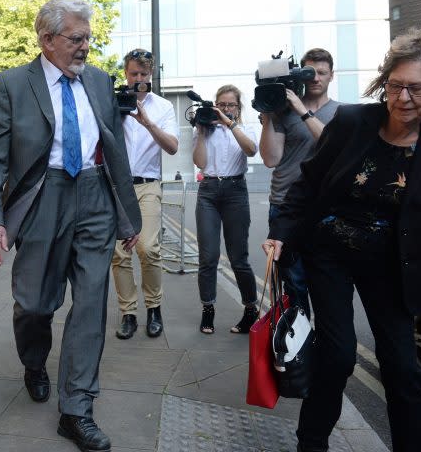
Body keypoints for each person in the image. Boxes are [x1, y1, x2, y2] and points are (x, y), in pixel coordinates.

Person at [264, 26, 421, 452]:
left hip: (395, 266)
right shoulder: (352, 122)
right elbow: (308, 183)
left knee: (404, 369)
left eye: (417, 90)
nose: (403, 99)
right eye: (395, 86)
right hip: (331, 254)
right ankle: (312, 443)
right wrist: (279, 234)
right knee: (339, 355)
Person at [0, 0, 141, 452]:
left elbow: (115, 152)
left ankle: (77, 408)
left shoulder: (102, 84)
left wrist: (127, 214)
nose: (86, 46)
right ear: (47, 40)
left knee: (90, 304)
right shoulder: (12, 84)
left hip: (94, 198)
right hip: (43, 195)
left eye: (88, 37)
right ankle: (34, 362)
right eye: (76, 38)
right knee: (34, 304)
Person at [259, 48, 340, 319]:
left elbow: (331, 146)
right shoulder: (283, 112)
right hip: (283, 204)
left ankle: (327, 346)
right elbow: (271, 159)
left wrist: (301, 109)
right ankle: (297, 347)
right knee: (293, 284)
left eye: (321, 72)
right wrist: (269, 113)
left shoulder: (342, 113)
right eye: (309, 72)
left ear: (332, 76)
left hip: (324, 208)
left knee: (325, 284)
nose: (315, 77)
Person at [112, 48, 179, 340]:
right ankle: (128, 312)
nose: (137, 79)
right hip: (116, 186)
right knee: (119, 254)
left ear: (150, 75)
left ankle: (154, 308)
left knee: (148, 249)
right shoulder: (111, 104)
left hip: (148, 184)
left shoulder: (163, 106)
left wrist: (147, 122)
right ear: (125, 74)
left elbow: (174, 147)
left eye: (143, 74)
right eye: (133, 74)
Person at [192, 85, 259, 334]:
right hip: (208, 191)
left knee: (238, 257)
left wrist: (230, 125)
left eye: (231, 105)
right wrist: (200, 132)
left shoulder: (245, 128)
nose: (226, 109)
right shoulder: (205, 129)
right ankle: (208, 309)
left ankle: (250, 309)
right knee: (208, 256)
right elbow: (199, 162)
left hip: (235, 192)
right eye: (221, 104)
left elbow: (251, 150)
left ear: (238, 108)